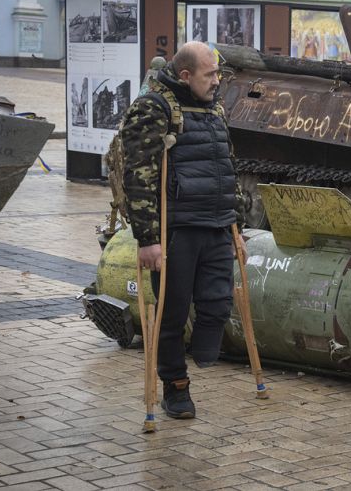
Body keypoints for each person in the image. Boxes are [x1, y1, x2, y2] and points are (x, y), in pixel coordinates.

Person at [119, 41, 246, 419]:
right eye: (210, 75)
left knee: (219, 302)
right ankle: (175, 388)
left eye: (218, 73)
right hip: (178, 229)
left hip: (217, 224)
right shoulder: (154, 109)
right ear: (186, 75)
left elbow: (227, 166)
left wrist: (236, 223)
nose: (217, 82)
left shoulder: (214, 110)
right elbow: (138, 175)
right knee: (172, 315)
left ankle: (204, 354)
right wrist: (148, 240)